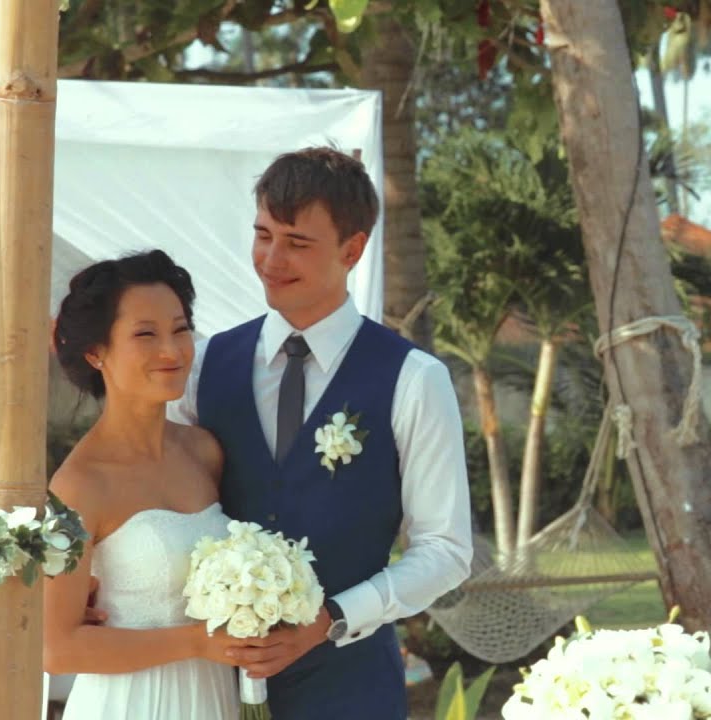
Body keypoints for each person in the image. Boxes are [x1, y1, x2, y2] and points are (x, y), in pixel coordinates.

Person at [166, 146, 472, 717]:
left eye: (297, 243)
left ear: (352, 249)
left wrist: (334, 617)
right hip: (209, 688)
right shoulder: (203, 366)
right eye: (263, 235)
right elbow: (159, 497)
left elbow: (446, 550)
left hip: (352, 689)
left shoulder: (414, 379)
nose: (271, 259)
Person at [44, 250, 248, 720]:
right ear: (96, 352)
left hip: (213, 699)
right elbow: (55, 647)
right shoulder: (78, 485)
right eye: (145, 334)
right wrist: (195, 642)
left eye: (180, 329)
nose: (172, 351)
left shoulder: (204, 452)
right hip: (129, 703)